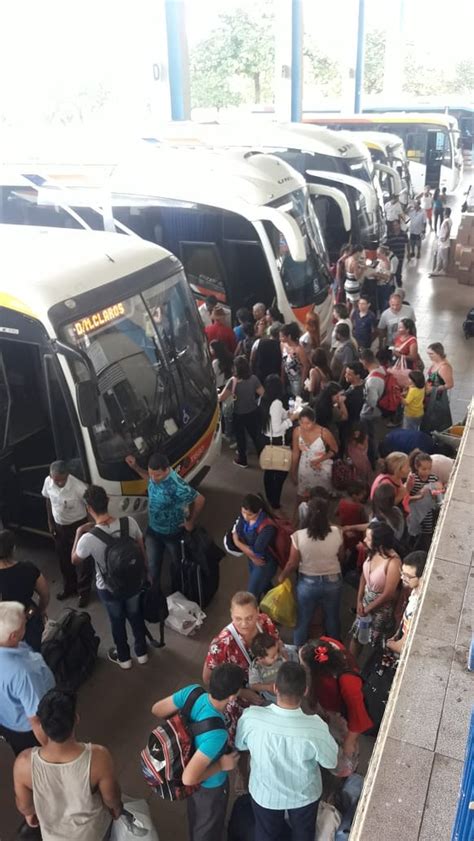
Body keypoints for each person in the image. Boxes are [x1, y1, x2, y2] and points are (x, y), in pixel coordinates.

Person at [234, 662, 338, 841]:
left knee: (266, 833)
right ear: (305, 691)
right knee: (303, 834)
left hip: (265, 794)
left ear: (275, 688)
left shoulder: (251, 717)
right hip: (304, 796)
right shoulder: (316, 727)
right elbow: (331, 762)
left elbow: (241, 745)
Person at [13, 688, 122, 841]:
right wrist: (116, 809)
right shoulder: (99, 757)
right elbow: (111, 798)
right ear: (76, 719)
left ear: (42, 726)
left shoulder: (23, 763)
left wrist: (30, 813)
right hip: (92, 833)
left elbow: (25, 806)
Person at [151, 665, 245, 841]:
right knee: (207, 825)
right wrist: (221, 765)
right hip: (209, 786)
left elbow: (157, 709)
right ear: (232, 696)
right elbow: (189, 779)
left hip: (184, 762)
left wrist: (181, 728)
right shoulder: (216, 733)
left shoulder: (192, 693)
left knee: (196, 814)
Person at [71, 485, 148, 669]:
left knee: (117, 620)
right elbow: (141, 548)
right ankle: (142, 652)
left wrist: (78, 532)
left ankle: (124, 658)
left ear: (89, 508)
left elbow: (75, 560)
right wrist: (147, 573)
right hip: (134, 581)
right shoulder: (129, 522)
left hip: (108, 587)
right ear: (108, 501)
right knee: (135, 615)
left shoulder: (88, 539)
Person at [203, 592, 279, 741]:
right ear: (231, 615)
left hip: (269, 685)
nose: (244, 624)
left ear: (258, 612)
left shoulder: (265, 622)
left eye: (250, 618)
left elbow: (277, 645)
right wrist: (242, 692)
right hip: (241, 700)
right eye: (238, 619)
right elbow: (208, 679)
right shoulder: (222, 643)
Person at [125, 452, 205, 586]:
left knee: (177, 565)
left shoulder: (177, 485)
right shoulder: (153, 477)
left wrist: (191, 522)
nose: (154, 478)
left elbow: (200, 499)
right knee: (152, 566)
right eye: (151, 474)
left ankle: (178, 590)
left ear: (167, 469)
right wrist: (136, 468)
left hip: (171, 534)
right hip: (153, 530)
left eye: (158, 475)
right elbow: (149, 478)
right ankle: (155, 594)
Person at [279, 495, 343, 644]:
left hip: (308, 583)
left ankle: (298, 650)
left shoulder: (298, 536)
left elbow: (292, 564)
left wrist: (282, 576)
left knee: (303, 618)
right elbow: (340, 556)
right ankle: (335, 648)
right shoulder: (337, 532)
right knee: (332, 617)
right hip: (333, 581)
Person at [300, 639, 373, 768]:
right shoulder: (324, 644)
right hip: (328, 706)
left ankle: (350, 766)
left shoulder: (348, 682)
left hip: (341, 715)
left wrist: (349, 744)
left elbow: (357, 716)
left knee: (345, 745)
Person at [0, 602, 55, 756]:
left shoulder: (10, 645)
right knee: (40, 762)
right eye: (23, 622)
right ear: (13, 636)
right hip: (29, 730)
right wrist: (52, 751)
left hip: (9, 721)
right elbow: (36, 720)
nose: (26, 619)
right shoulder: (22, 673)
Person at [41, 461, 92, 607]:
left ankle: (84, 592)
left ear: (67, 475)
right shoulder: (48, 482)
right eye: (55, 479)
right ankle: (70, 588)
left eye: (60, 479)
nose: (57, 482)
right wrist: (50, 523)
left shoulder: (78, 487)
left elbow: (90, 506)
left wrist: (89, 528)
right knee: (64, 560)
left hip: (79, 525)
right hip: (60, 527)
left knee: (83, 561)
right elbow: (48, 501)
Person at [349, 523, 401, 657]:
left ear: (379, 542)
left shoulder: (393, 563)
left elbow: (388, 593)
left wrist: (368, 608)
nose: (365, 540)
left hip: (381, 609)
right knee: (357, 636)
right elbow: (363, 576)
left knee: (376, 643)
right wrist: (359, 600)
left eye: (368, 538)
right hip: (366, 602)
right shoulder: (372, 553)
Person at [0, 530, 49, 651]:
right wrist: (41, 610)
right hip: (29, 616)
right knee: (35, 651)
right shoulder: (28, 568)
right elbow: (45, 594)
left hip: (5, 628)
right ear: (14, 549)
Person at [224, 494, 277, 599]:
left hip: (264, 563)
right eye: (243, 512)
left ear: (260, 511)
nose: (246, 517)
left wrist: (237, 542)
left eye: (250, 515)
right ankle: (273, 605)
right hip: (253, 560)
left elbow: (256, 550)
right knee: (264, 585)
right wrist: (252, 556)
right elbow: (238, 530)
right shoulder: (244, 517)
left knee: (251, 595)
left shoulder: (267, 527)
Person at [218, 356, 264, 468]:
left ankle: (242, 460)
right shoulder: (253, 378)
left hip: (238, 413)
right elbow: (263, 393)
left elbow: (221, 398)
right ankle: (263, 457)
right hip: (252, 411)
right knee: (255, 436)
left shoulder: (232, 381)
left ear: (236, 368)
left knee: (240, 437)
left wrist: (216, 393)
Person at [260, 375, 295, 509]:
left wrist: (287, 414)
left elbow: (275, 416)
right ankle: (275, 500)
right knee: (281, 470)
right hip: (277, 440)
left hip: (266, 440)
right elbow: (277, 427)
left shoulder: (264, 399)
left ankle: (270, 496)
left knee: (269, 469)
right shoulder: (276, 403)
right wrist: (290, 420)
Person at [386, 551, 427, 655]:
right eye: (402, 573)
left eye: (408, 576)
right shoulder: (414, 591)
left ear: (422, 578)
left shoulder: (418, 607)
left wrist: (389, 644)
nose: (402, 578)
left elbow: (401, 647)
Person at [291, 407, 338, 499]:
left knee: (321, 496)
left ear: (314, 421)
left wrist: (320, 459)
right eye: (301, 423)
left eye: (308, 423)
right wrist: (293, 471)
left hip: (322, 466)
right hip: (304, 466)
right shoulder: (297, 431)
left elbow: (334, 449)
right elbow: (296, 452)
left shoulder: (324, 433)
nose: (304, 426)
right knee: (303, 494)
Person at [407, 451, 441, 550]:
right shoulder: (413, 479)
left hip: (428, 511)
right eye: (424, 469)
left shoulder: (434, 478)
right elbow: (406, 497)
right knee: (413, 533)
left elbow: (438, 495)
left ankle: (425, 550)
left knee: (427, 532)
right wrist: (419, 496)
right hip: (414, 511)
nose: (427, 472)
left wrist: (435, 492)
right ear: (417, 467)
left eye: (429, 469)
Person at [248, 633, 297, 702]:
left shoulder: (280, 656)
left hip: (287, 690)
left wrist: (284, 656)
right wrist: (268, 687)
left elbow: (288, 666)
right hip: (271, 697)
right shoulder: (255, 668)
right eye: (273, 656)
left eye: (277, 651)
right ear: (260, 658)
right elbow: (253, 685)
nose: (277, 656)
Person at [359, 349, 387, 466]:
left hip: (371, 414)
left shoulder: (372, 381)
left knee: (371, 437)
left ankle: (373, 459)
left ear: (365, 362)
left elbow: (371, 402)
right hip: (379, 411)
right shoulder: (381, 369)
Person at [338, 363, 367, 454]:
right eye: (346, 373)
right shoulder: (362, 385)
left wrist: (340, 402)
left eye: (349, 374)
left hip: (350, 424)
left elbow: (347, 413)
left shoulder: (354, 395)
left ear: (357, 376)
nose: (346, 375)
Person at [280, 323, 309, 398]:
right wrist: (282, 377)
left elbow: (305, 367)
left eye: (282, 336)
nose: (280, 338)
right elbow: (283, 361)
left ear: (289, 336)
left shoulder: (299, 350)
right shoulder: (282, 345)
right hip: (287, 377)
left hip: (297, 380)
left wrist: (302, 383)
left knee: (297, 398)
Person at [430, 207, 452, 276]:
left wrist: (445, 238)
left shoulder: (447, 221)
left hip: (444, 244)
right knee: (439, 257)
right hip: (441, 243)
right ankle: (436, 270)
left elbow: (448, 230)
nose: (443, 212)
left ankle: (443, 270)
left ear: (445, 212)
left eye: (444, 211)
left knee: (444, 258)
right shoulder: (448, 220)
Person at [385, 220, 408, 287]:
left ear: (399, 225)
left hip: (400, 256)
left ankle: (399, 286)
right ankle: (393, 288)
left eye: (397, 225)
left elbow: (407, 243)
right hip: (392, 257)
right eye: (394, 225)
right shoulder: (390, 235)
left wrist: (409, 254)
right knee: (392, 272)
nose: (395, 227)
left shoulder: (404, 234)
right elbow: (387, 246)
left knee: (398, 273)